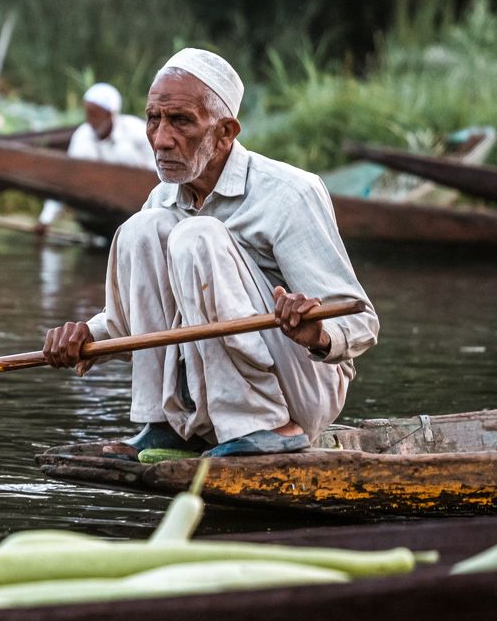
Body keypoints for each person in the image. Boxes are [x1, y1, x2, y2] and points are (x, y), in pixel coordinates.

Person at [42, 48, 379, 459]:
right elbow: (138, 319)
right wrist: (87, 336)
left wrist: (317, 333)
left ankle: (267, 423)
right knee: (141, 230)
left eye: (181, 121)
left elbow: (361, 319)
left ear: (226, 132)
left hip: (303, 387)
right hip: (207, 400)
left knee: (197, 236)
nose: (162, 139)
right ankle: (164, 424)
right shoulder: (162, 199)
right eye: (154, 119)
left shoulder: (290, 193)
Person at [36, 82, 155, 235]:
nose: (89, 120)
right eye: (87, 113)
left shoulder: (136, 131)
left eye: (94, 114)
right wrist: (45, 220)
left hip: (138, 211)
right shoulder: (82, 136)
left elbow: (158, 171)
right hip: (96, 213)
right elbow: (68, 179)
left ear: (109, 113)